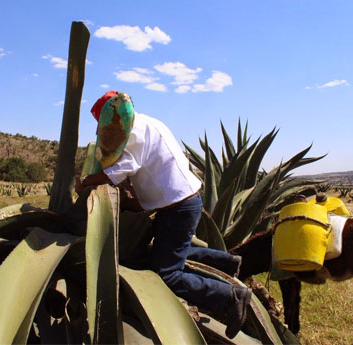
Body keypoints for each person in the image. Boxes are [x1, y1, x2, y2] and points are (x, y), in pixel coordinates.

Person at [75, 91, 252, 339]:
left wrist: (86, 182)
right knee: (168, 250)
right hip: (182, 203)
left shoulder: (134, 133)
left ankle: (231, 298)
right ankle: (226, 262)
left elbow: (122, 170)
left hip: (178, 208)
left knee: (166, 274)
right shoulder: (148, 122)